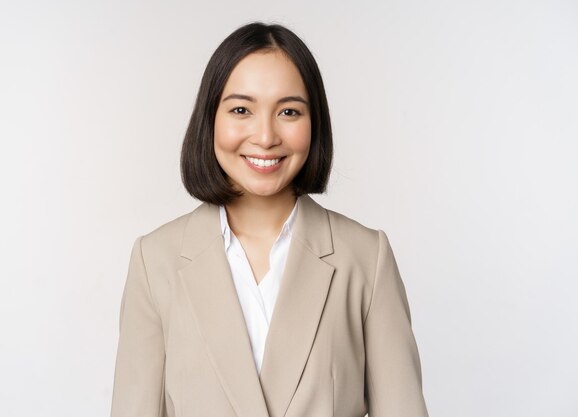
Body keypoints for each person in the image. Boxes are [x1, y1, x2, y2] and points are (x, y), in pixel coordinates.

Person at [110, 22, 429, 417]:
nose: (265, 136)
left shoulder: (366, 258)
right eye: (241, 110)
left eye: (289, 111)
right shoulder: (154, 260)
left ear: (315, 124)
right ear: (210, 119)